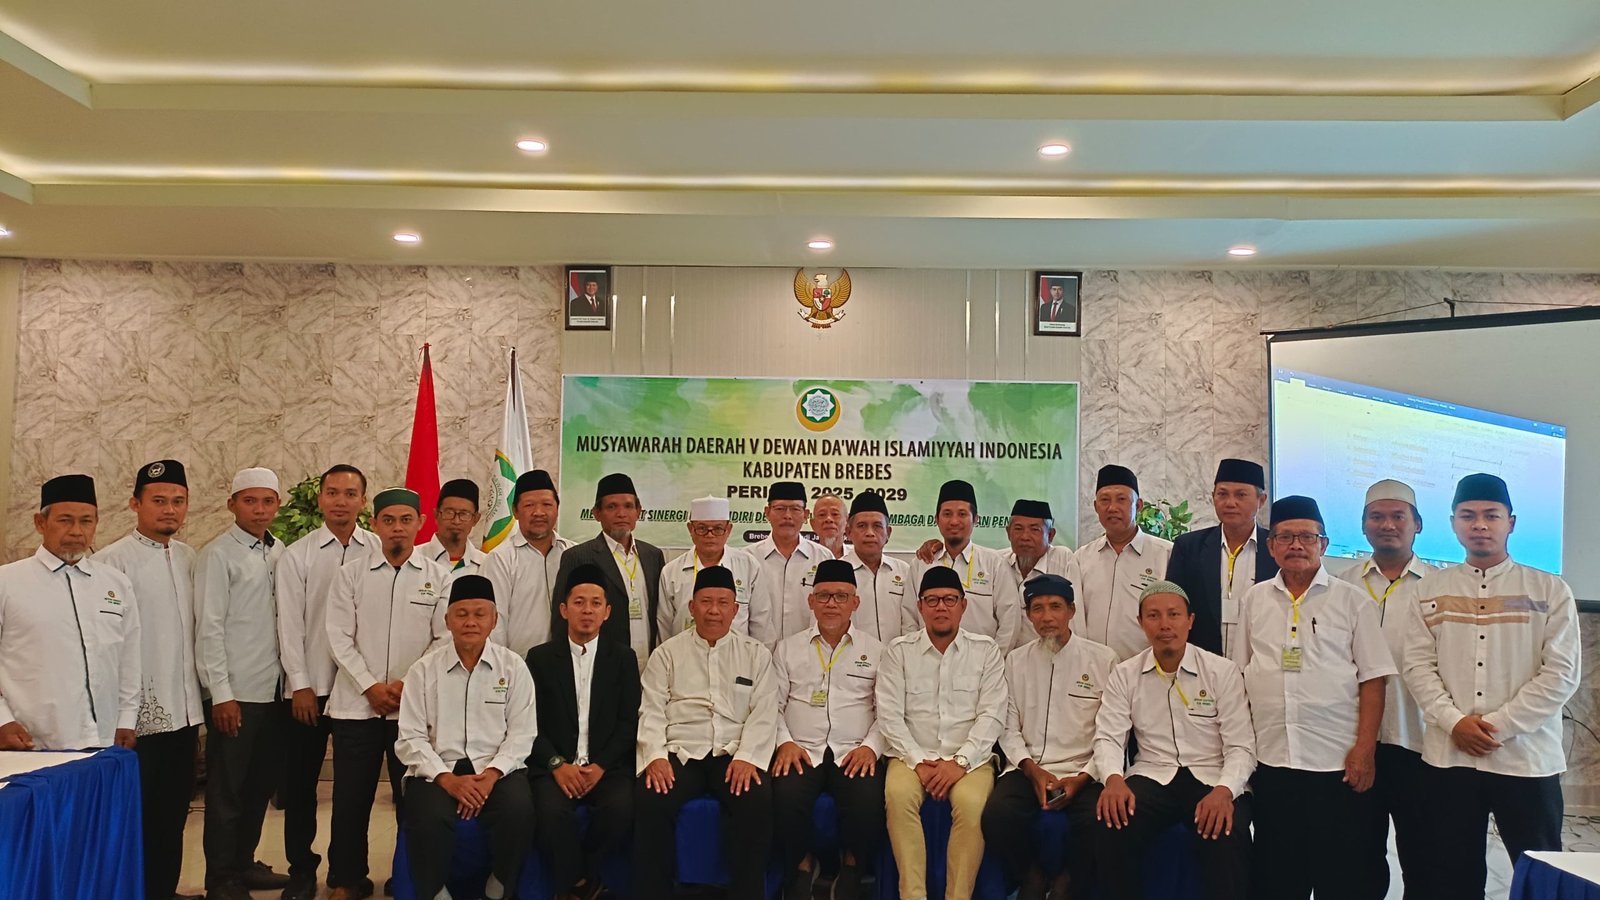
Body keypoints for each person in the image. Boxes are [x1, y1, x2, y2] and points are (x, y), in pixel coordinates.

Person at [1402, 473, 1581, 896]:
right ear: (1453, 523)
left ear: (1510, 522)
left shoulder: (1549, 590)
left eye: (1491, 515)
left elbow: (1561, 673)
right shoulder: (1429, 590)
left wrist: (1495, 727)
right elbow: (1417, 665)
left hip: (1526, 758)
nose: (1479, 524)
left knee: (1540, 871)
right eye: (1468, 515)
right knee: (1451, 873)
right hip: (1451, 759)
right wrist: (1454, 722)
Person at [1234, 495, 1393, 898]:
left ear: (1323, 544)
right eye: (1285, 537)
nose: (1296, 545)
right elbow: (1239, 674)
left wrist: (1365, 750)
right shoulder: (1254, 600)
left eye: (1307, 537)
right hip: (1273, 759)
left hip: (1336, 763)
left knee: (1340, 875)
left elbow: (1374, 679)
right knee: (1278, 873)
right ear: (1271, 546)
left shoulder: (1353, 601)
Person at [324, 488, 451, 900]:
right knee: (350, 800)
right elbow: (338, 636)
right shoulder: (351, 574)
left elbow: (443, 638)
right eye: (389, 520)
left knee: (412, 801)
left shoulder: (439, 577)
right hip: (356, 707)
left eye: (406, 520)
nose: (398, 528)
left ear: (420, 524)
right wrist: (370, 686)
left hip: (411, 711)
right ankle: (346, 879)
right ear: (375, 524)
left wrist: (405, 684)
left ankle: (408, 878)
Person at [1093, 581, 1254, 900]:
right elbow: (1108, 736)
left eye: (1174, 614)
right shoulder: (1124, 674)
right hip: (1153, 774)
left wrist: (1224, 791)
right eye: (1153, 616)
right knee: (1111, 822)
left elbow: (1241, 746)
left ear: (1190, 620)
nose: (1164, 624)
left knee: (1227, 831)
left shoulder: (1222, 672)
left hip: (1212, 775)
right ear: (1141, 622)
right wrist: (1112, 779)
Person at [634, 565, 778, 900]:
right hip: (680, 751)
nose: (714, 611)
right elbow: (651, 709)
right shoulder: (667, 654)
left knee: (756, 801)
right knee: (650, 800)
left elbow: (765, 712)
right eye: (706, 602)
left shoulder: (755, 654)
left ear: (735, 609)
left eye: (723, 603)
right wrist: (655, 757)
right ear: (692, 607)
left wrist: (748, 758)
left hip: (734, 753)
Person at [96, 461, 205, 900]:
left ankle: (164, 889)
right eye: (158, 500)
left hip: (185, 712)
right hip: (137, 720)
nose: (169, 510)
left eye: (178, 501)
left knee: (175, 812)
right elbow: (106, 648)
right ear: (135, 503)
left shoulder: (189, 558)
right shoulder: (111, 563)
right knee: (136, 815)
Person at [396, 575, 537, 900]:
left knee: (518, 810)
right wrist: (446, 779)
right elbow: (410, 738)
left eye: (479, 614)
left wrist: (492, 774)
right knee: (427, 817)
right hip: (437, 770)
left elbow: (523, 731)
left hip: (497, 768)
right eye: (461, 614)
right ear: (447, 620)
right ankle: (434, 891)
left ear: (494, 620)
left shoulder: (513, 667)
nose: (470, 622)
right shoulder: (422, 671)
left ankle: (500, 884)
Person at [274, 463, 378, 900]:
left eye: (350, 493)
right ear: (320, 499)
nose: (340, 501)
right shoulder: (297, 555)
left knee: (354, 790)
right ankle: (301, 869)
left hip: (359, 690)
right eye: (332, 492)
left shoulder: (377, 548)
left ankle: (346, 873)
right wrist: (299, 683)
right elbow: (289, 624)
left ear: (362, 501)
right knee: (301, 786)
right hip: (311, 689)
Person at [981, 574, 1115, 900]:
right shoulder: (1015, 661)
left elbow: (1111, 732)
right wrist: (1032, 770)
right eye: (1037, 608)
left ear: (1071, 611)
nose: (1047, 616)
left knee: (1101, 821)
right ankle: (1031, 874)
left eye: (1055, 606)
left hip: (1085, 770)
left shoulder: (1103, 660)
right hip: (1027, 767)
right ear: (1028, 615)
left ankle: (1069, 880)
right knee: (997, 816)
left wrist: (1083, 777)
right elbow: (1008, 728)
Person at [877, 566, 1008, 900]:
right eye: (932, 600)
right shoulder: (898, 651)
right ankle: (913, 895)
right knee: (898, 797)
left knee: (971, 804)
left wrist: (960, 762)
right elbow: (889, 715)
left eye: (949, 599)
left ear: (963, 605)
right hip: (909, 756)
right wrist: (918, 761)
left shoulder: (986, 651)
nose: (941, 607)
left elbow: (992, 715)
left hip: (972, 760)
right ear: (920, 606)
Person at [1334, 479, 1435, 898]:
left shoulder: (1439, 587)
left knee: (1424, 854)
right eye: (1377, 516)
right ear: (1363, 526)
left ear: (1418, 524)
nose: (1387, 524)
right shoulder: (1339, 584)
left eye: (1398, 516)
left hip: (1420, 742)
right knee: (1357, 854)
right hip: (1355, 742)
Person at [195, 467, 292, 899]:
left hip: (273, 693)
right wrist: (221, 694)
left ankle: (244, 863)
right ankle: (220, 878)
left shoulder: (279, 551)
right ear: (232, 504)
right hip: (236, 695)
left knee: (259, 787)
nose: (259, 509)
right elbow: (209, 627)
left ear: (278, 505)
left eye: (267, 501)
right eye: (249, 501)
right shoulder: (218, 555)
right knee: (227, 792)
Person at [770, 559, 887, 900]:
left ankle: (852, 867)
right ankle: (802, 865)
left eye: (841, 596)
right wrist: (784, 743)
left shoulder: (877, 651)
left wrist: (870, 748)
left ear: (855, 602)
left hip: (854, 749)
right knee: (784, 797)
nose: (832, 603)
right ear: (811, 601)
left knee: (868, 802)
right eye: (823, 596)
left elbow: (888, 711)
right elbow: (771, 706)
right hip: (801, 748)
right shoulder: (787, 648)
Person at [0, 474, 140, 753]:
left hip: (104, 741)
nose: (77, 531)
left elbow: (129, 658)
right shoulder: (7, 582)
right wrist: (2, 721)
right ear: (40, 523)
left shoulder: (116, 583)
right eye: (65, 520)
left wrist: (127, 719)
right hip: (31, 744)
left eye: (86, 521)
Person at [526, 564, 641, 900]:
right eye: (579, 602)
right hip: (554, 765)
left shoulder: (623, 658)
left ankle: (580, 875)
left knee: (621, 810)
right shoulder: (540, 658)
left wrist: (601, 765)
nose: (587, 610)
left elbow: (629, 722)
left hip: (607, 766)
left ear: (607, 612)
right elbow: (528, 723)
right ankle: (582, 883)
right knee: (550, 813)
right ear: (564, 610)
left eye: (595, 603)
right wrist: (557, 765)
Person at [1163, 458, 1276, 657]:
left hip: (1261, 661)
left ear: (1261, 500)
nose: (1230, 503)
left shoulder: (1276, 549)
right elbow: (1174, 607)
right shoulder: (1189, 547)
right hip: (1202, 662)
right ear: (1213, 497)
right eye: (1222, 494)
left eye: (1241, 495)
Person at [551, 473, 665, 670]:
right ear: (597, 513)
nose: (621, 513)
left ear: (638, 511)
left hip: (650, 665)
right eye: (612, 507)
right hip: (601, 667)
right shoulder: (578, 556)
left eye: (628, 506)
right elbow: (562, 619)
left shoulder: (652, 555)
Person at [1074, 466, 1173, 661]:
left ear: (1139, 505)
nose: (1112, 508)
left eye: (1121, 499)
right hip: (1093, 668)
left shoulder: (1166, 555)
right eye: (1105, 500)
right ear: (1095, 506)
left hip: (1147, 668)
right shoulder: (1081, 558)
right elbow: (1076, 620)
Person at [908, 479, 1018, 651]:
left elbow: (1010, 620)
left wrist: (993, 660)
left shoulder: (994, 563)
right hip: (927, 660)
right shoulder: (922, 563)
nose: (954, 521)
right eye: (947, 514)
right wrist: (914, 655)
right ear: (936, 519)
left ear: (976, 519)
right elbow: (909, 617)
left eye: (962, 514)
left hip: (981, 662)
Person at [483, 469, 575, 655]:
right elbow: (495, 624)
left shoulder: (573, 554)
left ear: (557, 508)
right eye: (529, 505)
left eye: (547, 504)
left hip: (571, 665)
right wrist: (504, 665)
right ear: (515, 511)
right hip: (520, 665)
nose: (538, 512)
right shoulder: (500, 559)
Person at [658, 496, 761, 638]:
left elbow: (760, 624)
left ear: (729, 529)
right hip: (684, 651)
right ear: (690, 529)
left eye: (718, 529)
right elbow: (664, 626)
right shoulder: (671, 572)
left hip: (736, 651)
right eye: (702, 528)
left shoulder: (749, 566)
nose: (710, 535)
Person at [748, 481, 828, 648]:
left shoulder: (823, 558)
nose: (787, 516)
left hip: (810, 654)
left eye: (795, 509)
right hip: (757, 654)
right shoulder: (748, 558)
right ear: (767, 512)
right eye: (780, 508)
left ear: (806, 514)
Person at [841, 491, 915, 643]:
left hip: (898, 656)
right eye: (862, 526)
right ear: (848, 532)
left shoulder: (904, 571)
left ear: (888, 532)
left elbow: (911, 622)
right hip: (851, 656)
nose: (869, 533)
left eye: (877, 526)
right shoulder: (838, 571)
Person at [993, 499, 1081, 621]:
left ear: (1050, 535)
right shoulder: (997, 561)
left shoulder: (1064, 560)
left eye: (1034, 530)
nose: (1025, 537)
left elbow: (1075, 615)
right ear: (1008, 533)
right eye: (1018, 529)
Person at [420, 478, 487, 573]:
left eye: (464, 514)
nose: (456, 521)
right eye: (449, 512)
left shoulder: (486, 564)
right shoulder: (413, 558)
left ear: (476, 519)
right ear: (436, 515)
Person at [811, 494, 848, 558]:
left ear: (847, 521)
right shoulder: (803, 558)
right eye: (822, 515)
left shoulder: (859, 556)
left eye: (835, 514)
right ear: (813, 524)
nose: (828, 519)